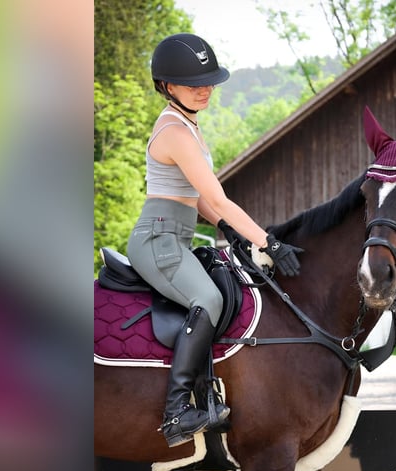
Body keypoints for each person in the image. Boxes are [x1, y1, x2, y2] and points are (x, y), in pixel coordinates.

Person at [127, 33, 303, 447]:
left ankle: (209, 393)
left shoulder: (188, 125)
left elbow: (197, 199)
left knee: (227, 286)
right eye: (194, 84)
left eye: (209, 81)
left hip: (175, 234)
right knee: (208, 299)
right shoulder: (176, 133)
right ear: (168, 86)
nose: (205, 89)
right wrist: (268, 243)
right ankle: (175, 414)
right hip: (158, 240)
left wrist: (226, 229)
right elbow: (219, 198)